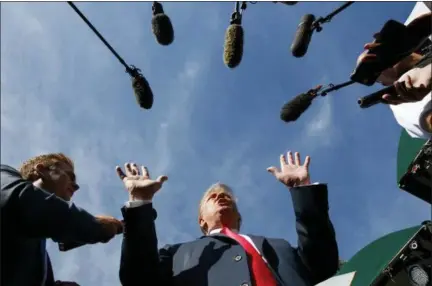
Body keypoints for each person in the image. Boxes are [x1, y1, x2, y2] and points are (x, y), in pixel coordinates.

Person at [117, 151, 339, 286]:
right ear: (201, 221)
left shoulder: (280, 247)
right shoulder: (175, 255)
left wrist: (302, 190)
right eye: (213, 197)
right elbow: (138, 280)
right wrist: (140, 202)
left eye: (226, 196)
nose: (221, 197)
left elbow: (323, 265)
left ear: (239, 217)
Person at [1, 153, 123, 286]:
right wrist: (96, 226)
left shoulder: (38, 259)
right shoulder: (4, 176)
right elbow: (21, 201)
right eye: (70, 176)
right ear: (42, 170)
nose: (76, 187)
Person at [356, 2, 432, 139]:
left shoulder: (415, 26)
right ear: (385, 84)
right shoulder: (401, 104)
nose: (375, 59)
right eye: (373, 70)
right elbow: (429, 121)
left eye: (372, 53)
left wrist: (420, 29)